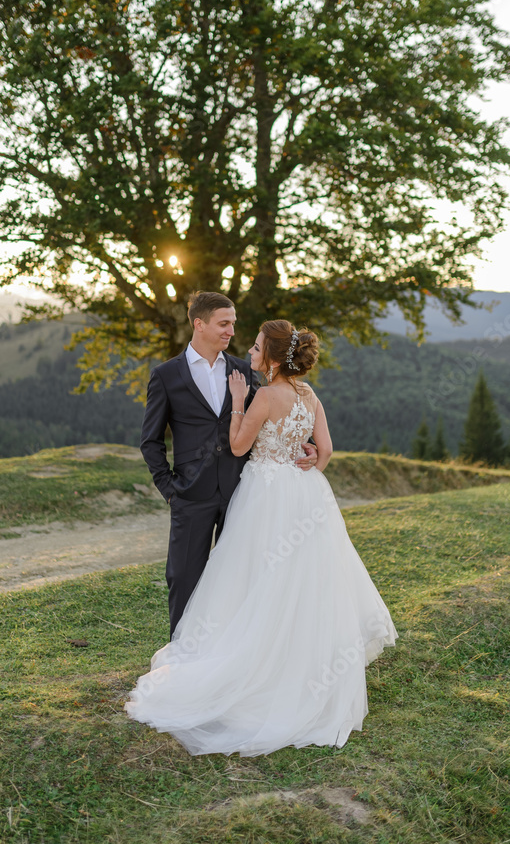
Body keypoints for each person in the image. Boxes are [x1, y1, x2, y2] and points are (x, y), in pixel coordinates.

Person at [125, 319, 399, 757]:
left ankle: (254, 671)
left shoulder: (265, 396)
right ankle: (299, 670)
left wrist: (237, 401)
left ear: (272, 358)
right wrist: (307, 463)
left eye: (255, 348)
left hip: (265, 497)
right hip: (305, 496)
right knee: (300, 584)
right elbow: (324, 450)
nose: (249, 353)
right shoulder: (310, 396)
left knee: (252, 578)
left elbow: (237, 446)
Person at [139, 292, 318, 638]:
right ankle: (182, 653)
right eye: (224, 324)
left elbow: (271, 417)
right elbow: (151, 440)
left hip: (242, 492)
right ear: (199, 324)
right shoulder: (166, 376)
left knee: (240, 577)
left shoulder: (242, 368)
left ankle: (230, 651)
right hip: (191, 494)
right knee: (183, 576)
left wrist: (305, 443)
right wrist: (170, 490)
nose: (231, 331)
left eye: (233, 324)